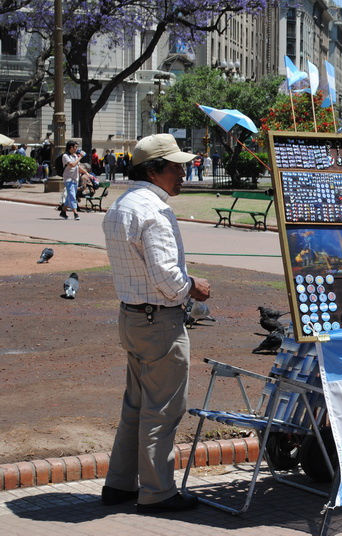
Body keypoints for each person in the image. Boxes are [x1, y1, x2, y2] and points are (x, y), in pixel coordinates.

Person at [101, 133, 210, 513]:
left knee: (136, 404)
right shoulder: (154, 211)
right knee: (163, 409)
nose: (183, 173)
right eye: (176, 167)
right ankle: (157, 492)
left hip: (131, 317)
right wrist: (193, 286)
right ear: (154, 170)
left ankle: (119, 483)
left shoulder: (122, 205)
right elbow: (168, 281)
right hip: (158, 321)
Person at [61, 141, 82, 220]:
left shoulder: (75, 156)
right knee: (72, 196)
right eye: (75, 147)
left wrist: (87, 173)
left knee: (69, 197)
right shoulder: (65, 156)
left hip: (75, 179)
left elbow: (78, 167)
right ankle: (75, 213)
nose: (76, 148)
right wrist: (80, 157)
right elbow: (72, 165)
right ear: (70, 147)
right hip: (68, 179)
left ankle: (63, 212)